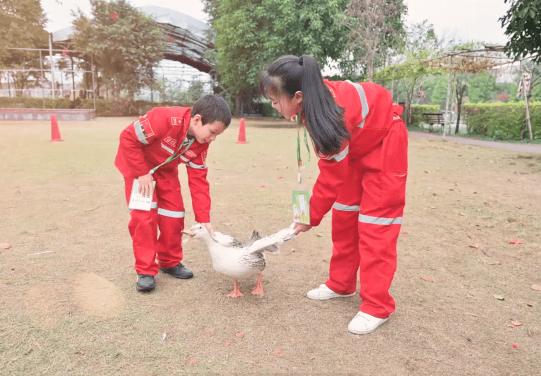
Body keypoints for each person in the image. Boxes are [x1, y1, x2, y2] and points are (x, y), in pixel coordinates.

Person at [260, 55, 408, 334]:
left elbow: (330, 178)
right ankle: (341, 285)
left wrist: (308, 218)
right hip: (357, 144)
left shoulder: (331, 113)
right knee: (345, 215)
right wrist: (308, 214)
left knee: (376, 227)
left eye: (276, 99)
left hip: (386, 142)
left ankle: (377, 306)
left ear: (299, 96)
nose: (274, 105)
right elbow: (333, 172)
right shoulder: (314, 103)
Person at [114, 95, 231, 292]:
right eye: (212, 132)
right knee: (144, 218)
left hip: (165, 171)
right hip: (138, 169)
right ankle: (145, 271)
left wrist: (204, 219)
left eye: (217, 135)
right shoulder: (163, 118)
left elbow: (199, 181)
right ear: (197, 119)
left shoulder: (201, 143)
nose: (212, 139)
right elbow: (127, 138)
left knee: (174, 214)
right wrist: (142, 172)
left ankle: (169, 262)